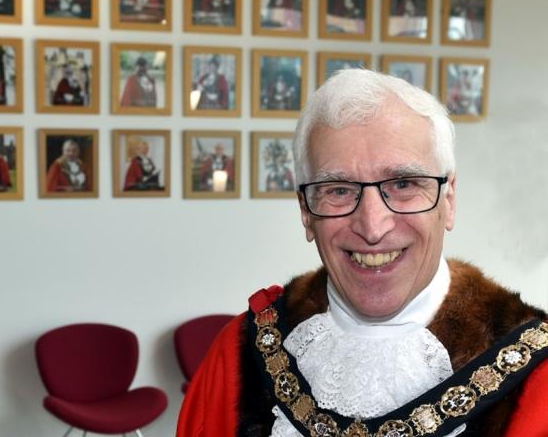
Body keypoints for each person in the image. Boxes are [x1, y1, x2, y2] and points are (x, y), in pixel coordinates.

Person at [177, 69, 548, 436]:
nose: (372, 227)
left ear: (448, 201)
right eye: (338, 189)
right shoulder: (239, 354)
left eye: (403, 184)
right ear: (306, 212)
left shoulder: (539, 380)